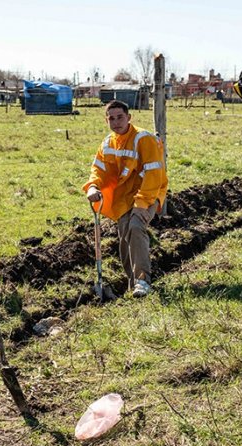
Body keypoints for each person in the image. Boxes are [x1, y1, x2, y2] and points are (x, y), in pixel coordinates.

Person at [83, 100, 168, 298]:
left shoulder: (143, 139)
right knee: (124, 238)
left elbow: (153, 175)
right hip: (123, 198)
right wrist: (92, 186)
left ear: (129, 117)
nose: (116, 122)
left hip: (149, 193)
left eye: (120, 117)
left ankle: (142, 281)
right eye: (111, 118)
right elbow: (99, 170)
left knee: (136, 227)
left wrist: (142, 204)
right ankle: (133, 284)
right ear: (107, 120)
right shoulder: (108, 143)